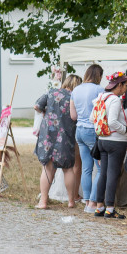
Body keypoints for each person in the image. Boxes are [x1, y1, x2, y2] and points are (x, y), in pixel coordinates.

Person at [34, 74, 81, 209]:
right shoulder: (75, 97)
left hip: (48, 135)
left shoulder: (51, 92)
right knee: (68, 169)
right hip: (66, 136)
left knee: (48, 168)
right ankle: (71, 201)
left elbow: (36, 106)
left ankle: (43, 202)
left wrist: (46, 112)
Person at [93, 71, 127, 219]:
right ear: (119, 85)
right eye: (125, 85)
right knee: (113, 174)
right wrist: (126, 130)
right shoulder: (114, 100)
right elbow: (113, 121)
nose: (126, 88)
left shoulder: (100, 97)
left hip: (102, 140)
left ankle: (99, 207)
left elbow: (92, 118)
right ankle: (110, 208)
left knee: (103, 173)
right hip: (116, 142)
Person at [71, 64, 104, 212]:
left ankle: (86, 202)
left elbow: (73, 116)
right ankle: (93, 202)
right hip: (92, 131)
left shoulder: (76, 90)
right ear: (99, 76)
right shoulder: (99, 90)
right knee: (101, 168)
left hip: (79, 130)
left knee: (86, 168)